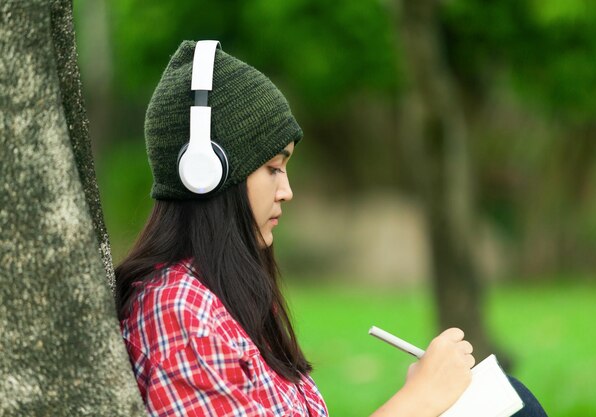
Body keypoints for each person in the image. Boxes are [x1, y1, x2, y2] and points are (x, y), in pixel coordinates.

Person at [115, 40, 546, 417]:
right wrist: (421, 398)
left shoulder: (218, 296)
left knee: (506, 398)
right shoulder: (178, 311)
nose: (286, 191)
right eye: (272, 169)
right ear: (205, 172)